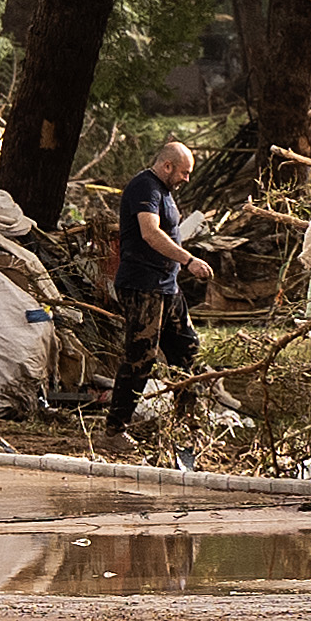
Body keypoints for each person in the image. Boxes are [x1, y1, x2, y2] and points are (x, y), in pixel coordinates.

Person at [106, 137, 208, 437]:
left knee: (187, 349)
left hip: (166, 286)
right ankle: (115, 430)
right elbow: (150, 233)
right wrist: (188, 260)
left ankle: (187, 424)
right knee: (141, 358)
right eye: (184, 172)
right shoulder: (145, 187)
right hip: (143, 284)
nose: (186, 179)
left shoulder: (163, 191)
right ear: (167, 165)